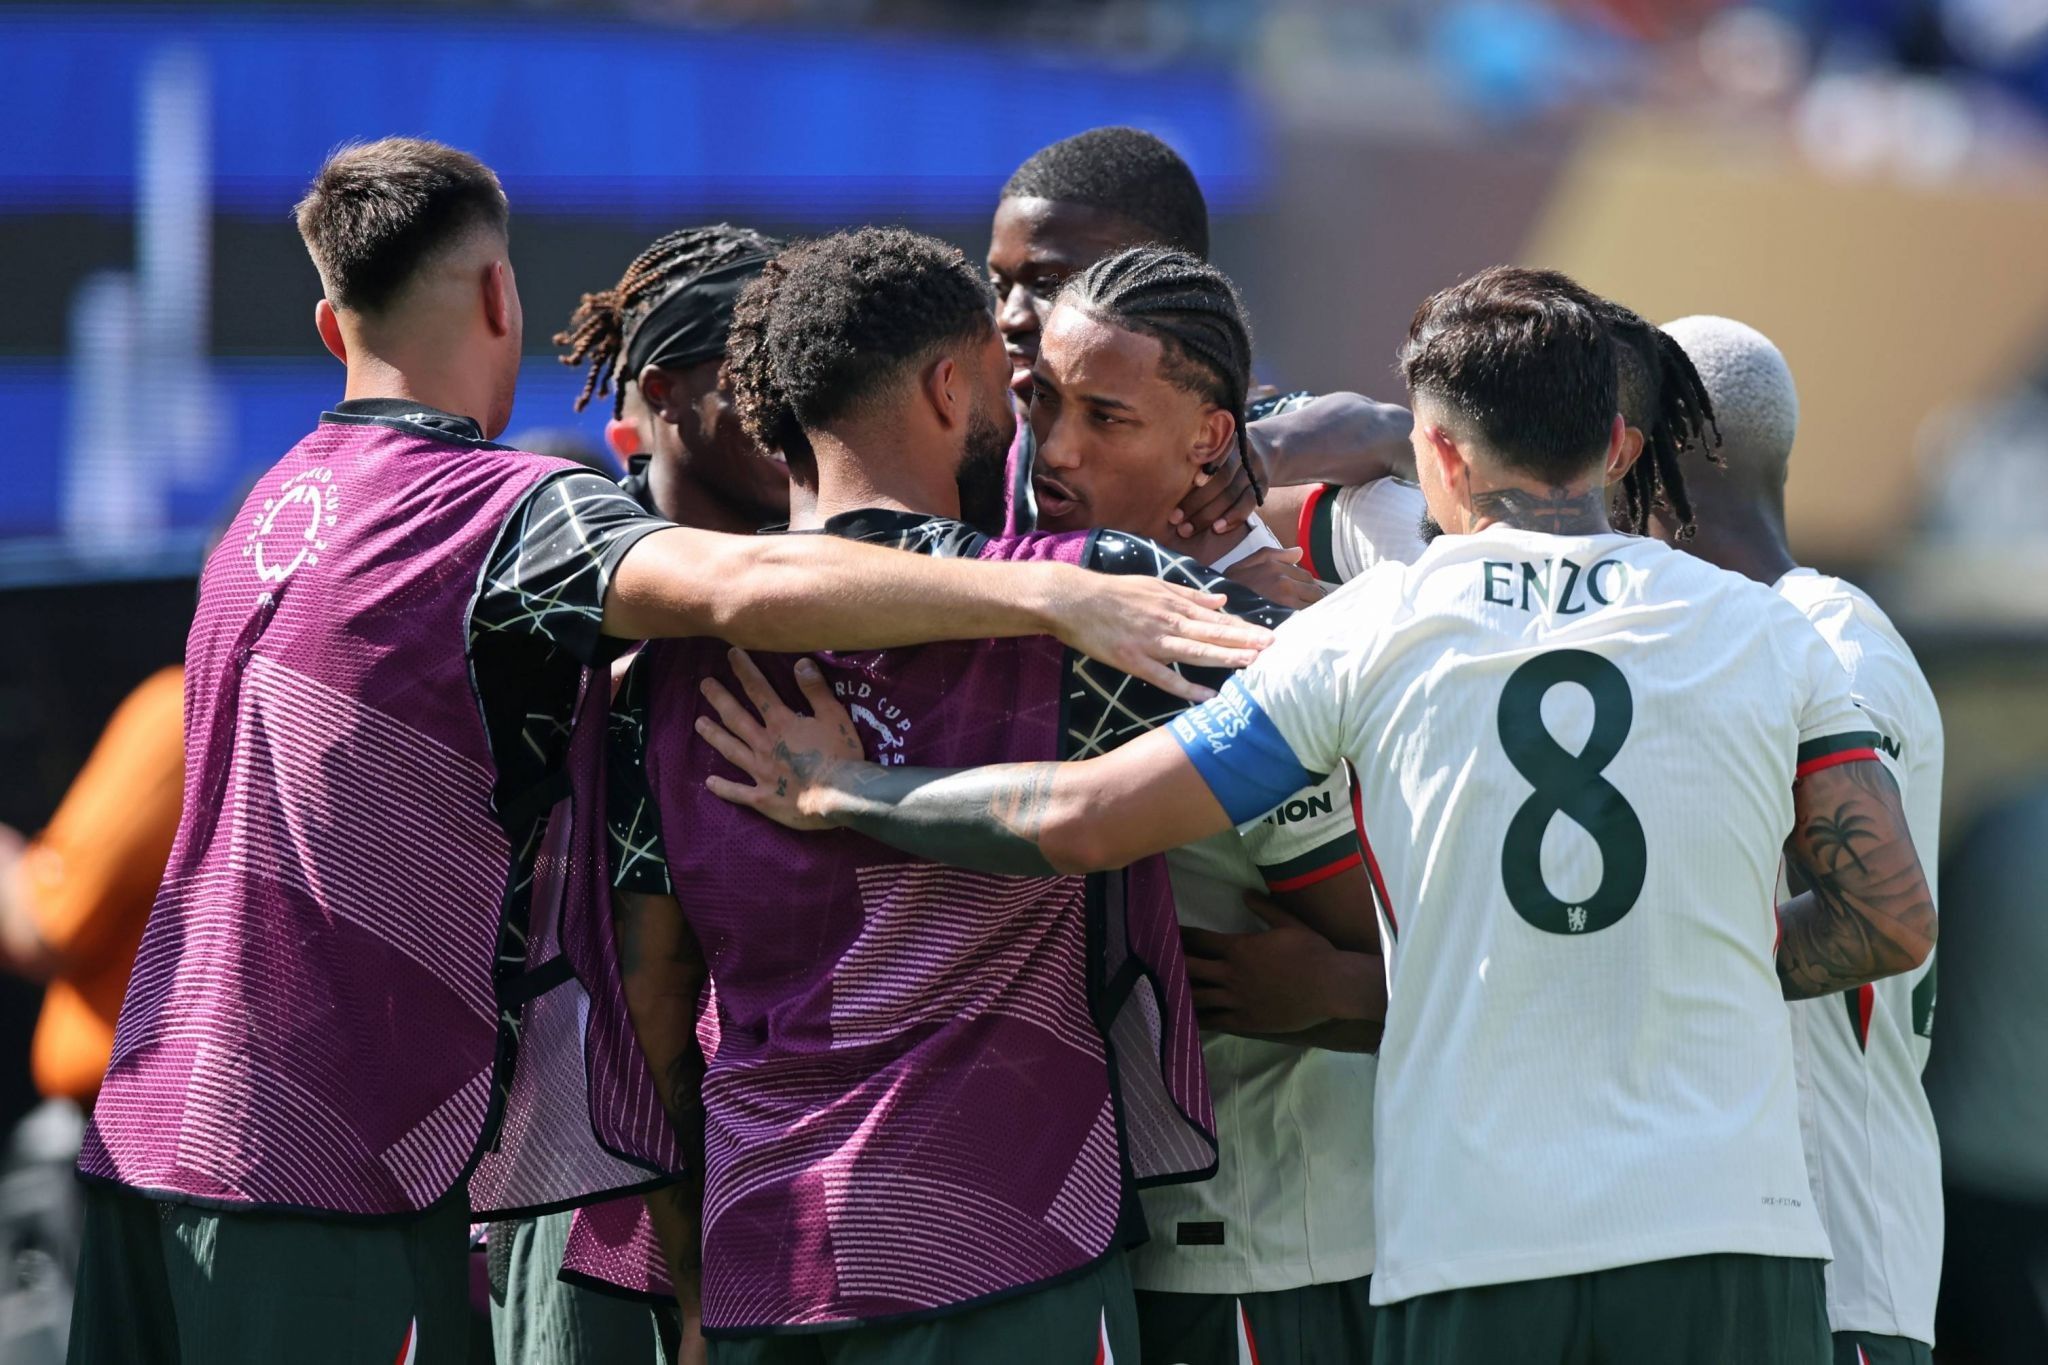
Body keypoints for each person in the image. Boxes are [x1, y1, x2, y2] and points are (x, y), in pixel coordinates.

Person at [65, 139, 1266, 1365]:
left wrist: (690, 1280)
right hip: (350, 1164)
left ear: (331, 327)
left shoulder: (274, 517)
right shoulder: (509, 518)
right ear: (500, 297)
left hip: (167, 1123)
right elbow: (1316, 697)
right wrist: (1062, 593)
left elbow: (649, 989)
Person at [695, 266, 1942, 1365]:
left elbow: (1082, 821)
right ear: (1618, 447)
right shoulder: (1765, 632)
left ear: (1437, 454)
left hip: (1476, 1243)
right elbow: (1888, 919)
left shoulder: (1368, 630)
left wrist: (843, 789)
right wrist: (1679, 955)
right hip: (1733, 1232)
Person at [599, 224, 1359, 1362]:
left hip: (768, 1260)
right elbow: (1348, 685)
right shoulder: (1087, 596)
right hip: (1009, 1249)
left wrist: (697, 1286)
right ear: (949, 389)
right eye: (1016, 383)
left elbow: (650, 1002)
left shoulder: (665, 669)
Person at [1025, 244, 1383, 1364]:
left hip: (1273, 1240)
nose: (1056, 448)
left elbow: (1437, 950)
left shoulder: (1260, 640)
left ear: (1208, 438)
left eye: (1106, 418)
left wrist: (1343, 989)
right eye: (1043, 402)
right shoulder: (1062, 574)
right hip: (1135, 1230)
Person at [1657, 315, 1944, 1365]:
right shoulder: (1749, 636)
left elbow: (1879, 924)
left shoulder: (1828, 646)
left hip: (1840, 1265)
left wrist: (1635, 961)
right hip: (1773, 1249)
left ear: (1660, 459)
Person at [987, 125, 1414, 556]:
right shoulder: (985, 439)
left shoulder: (1234, 460)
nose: (1010, 317)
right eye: (1000, 287)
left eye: (1050, 285)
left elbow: (1397, 434)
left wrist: (1261, 451)